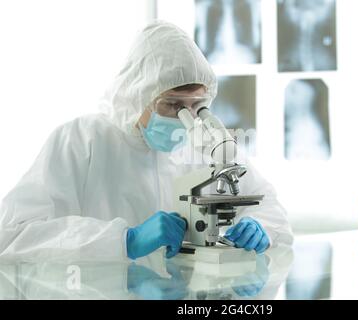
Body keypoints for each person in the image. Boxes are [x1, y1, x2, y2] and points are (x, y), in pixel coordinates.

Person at [0, 21, 293, 262]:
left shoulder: (206, 141)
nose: (185, 119)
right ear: (137, 95)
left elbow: (269, 207)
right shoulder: (81, 140)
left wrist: (261, 227)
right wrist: (123, 241)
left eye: (196, 106)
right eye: (172, 105)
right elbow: (14, 236)